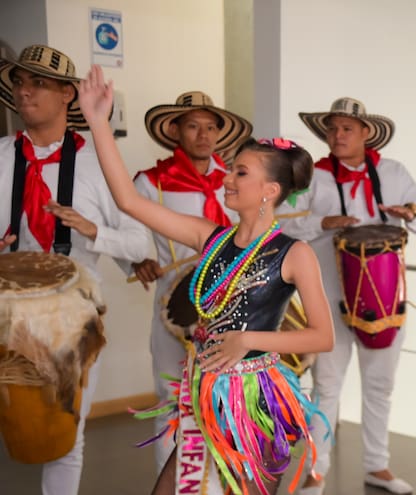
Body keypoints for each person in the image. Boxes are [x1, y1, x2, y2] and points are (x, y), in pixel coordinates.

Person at [77, 65, 334, 495]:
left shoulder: (295, 253)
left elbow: (322, 336)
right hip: (205, 392)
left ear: (270, 190)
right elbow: (128, 200)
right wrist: (98, 122)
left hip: (256, 400)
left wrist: (247, 340)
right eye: (231, 170)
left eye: (241, 173)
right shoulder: (208, 236)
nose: (227, 179)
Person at [0, 45, 151, 495]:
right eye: (19, 82)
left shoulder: (100, 162)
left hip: (74, 318)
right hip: (3, 314)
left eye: (38, 83)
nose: (24, 92)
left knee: (67, 432)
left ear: (68, 94)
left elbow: (139, 242)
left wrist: (93, 231)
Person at [278, 97, 416, 495]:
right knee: (327, 385)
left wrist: (410, 214)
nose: (338, 135)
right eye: (332, 128)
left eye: (347, 128)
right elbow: (282, 224)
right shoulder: (310, 176)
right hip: (327, 297)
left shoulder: (393, 172)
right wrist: (322, 221)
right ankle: (316, 470)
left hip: (384, 299)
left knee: (380, 385)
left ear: (366, 133)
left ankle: (377, 465)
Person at [131, 90, 252, 470]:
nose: (203, 135)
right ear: (175, 131)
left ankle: (217, 484)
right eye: (193, 126)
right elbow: (127, 230)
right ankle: (170, 487)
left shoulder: (237, 180)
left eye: (211, 127)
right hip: (175, 308)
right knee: (172, 397)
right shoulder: (151, 182)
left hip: (228, 305)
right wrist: (137, 260)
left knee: (227, 397)